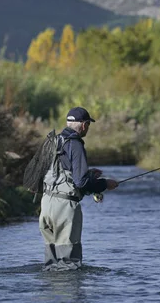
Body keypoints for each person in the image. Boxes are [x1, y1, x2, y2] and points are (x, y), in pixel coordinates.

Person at [39, 106, 118, 271]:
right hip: (64, 207)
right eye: (88, 124)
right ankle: (68, 296)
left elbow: (59, 172)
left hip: (46, 205)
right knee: (68, 264)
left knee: (51, 263)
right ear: (83, 125)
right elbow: (80, 182)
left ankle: (52, 295)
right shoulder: (75, 144)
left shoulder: (53, 141)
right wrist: (104, 184)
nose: (88, 128)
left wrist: (89, 175)